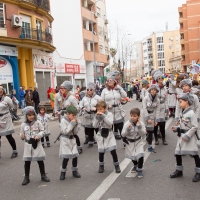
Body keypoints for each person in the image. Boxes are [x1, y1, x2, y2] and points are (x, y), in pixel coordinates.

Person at [170, 93, 200, 182]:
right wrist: (176, 128)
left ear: (187, 102)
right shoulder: (182, 112)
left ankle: (198, 172)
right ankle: (179, 170)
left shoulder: (191, 113)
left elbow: (195, 126)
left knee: (194, 154)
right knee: (178, 153)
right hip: (181, 137)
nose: (179, 104)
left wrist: (187, 135)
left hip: (189, 138)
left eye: (180, 102)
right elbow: (182, 124)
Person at [20, 106, 50, 185]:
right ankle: (26, 177)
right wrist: (21, 136)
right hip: (28, 144)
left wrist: (38, 135)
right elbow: (21, 132)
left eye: (33, 115)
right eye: (29, 115)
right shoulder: (23, 124)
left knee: (40, 160)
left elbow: (43, 131)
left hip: (37, 143)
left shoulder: (38, 123)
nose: (31, 117)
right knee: (27, 162)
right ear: (26, 116)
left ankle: (43, 175)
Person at [54, 81, 82, 154]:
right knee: (65, 132)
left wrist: (67, 111)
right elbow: (56, 106)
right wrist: (56, 114)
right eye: (61, 88)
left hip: (71, 117)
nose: (61, 89)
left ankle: (79, 147)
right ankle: (67, 147)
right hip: (63, 118)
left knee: (73, 133)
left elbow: (77, 108)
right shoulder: (57, 96)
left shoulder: (71, 98)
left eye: (64, 88)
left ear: (67, 89)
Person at [93, 101, 121, 173]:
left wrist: (103, 116)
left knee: (113, 150)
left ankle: (117, 165)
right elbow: (94, 126)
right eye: (98, 109)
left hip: (109, 133)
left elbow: (110, 124)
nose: (99, 111)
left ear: (105, 109)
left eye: (101, 109)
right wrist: (97, 118)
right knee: (101, 151)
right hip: (100, 134)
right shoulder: (96, 115)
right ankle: (101, 166)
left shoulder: (109, 114)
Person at [101, 72, 127, 143]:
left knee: (121, 128)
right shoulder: (104, 90)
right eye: (108, 80)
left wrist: (119, 87)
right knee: (109, 129)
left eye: (111, 80)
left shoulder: (118, 89)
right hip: (109, 112)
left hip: (118, 111)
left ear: (114, 81)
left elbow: (125, 95)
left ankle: (125, 142)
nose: (109, 82)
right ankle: (109, 143)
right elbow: (101, 102)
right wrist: (106, 105)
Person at [122, 108, 146, 178]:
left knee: (140, 155)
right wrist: (128, 129)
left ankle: (140, 170)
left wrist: (139, 127)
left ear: (139, 116)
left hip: (138, 141)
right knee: (133, 156)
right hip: (130, 142)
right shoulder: (127, 124)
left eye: (135, 116)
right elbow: (123, 134)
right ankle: (135, 165)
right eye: (131, 116)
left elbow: (143, 134)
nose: (133, 117)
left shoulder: (141, 123)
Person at [59, 105, 81, 180]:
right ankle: (63, 172)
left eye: (75, 115)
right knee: (66, 157)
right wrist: (72, 123)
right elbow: (65, 131)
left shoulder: (73, 120)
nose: (74, 117)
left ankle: (74, 171)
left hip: (72, 139)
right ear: (68, 114)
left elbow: (75, 132)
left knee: (75, 156)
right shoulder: (63, 121)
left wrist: (75, 125)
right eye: (73, 115)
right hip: (66, 140)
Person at [79, 82, 101, 147]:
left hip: (95, 116)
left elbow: (102, 106)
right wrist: (82, 108)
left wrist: (96, 108)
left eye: (90, 90)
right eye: (87, 89)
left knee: (97, 129)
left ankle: (100, 140)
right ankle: (90, 141)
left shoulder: (98, 98)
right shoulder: (84, 98)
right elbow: (80, 105)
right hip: (87, 116)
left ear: (93, 90)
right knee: (89, 129)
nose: (89, 91)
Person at [0, 85, 18, 158]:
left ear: (3, 90)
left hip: (6, 119)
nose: (0, 90)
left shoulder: (7, 99)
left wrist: (15, 102)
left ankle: (15, 151)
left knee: (8, 136)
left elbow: (13, 107)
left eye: (1, 89)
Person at [142, 84, 160, 153]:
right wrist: (147, 118)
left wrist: (156, 120)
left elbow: (157, 110)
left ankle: (149, 146)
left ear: (156, 91)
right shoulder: (146, 98)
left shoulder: (157, 100)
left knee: (150, 131)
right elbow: (144, 108)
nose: (153, 91)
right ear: (149, 91)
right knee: (143, 130)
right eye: (152, 90)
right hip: (144, 115)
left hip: (152, 115)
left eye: (154, 90)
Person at [153, 72, 168, 145]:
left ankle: (163, 139)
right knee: (156, 124)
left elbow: (166, 99)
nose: (161, 79)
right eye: (159, 78)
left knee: (162, 124)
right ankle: (156, 138)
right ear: (156, 79)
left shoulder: (165, 87)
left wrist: (167, 108)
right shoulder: (154, 87)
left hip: (163, 107)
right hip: (156, 107)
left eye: (162, 78)